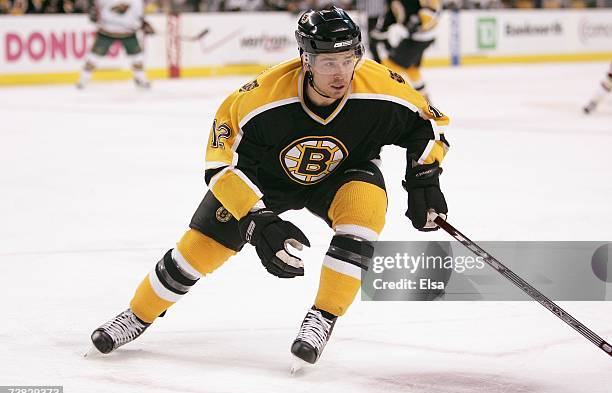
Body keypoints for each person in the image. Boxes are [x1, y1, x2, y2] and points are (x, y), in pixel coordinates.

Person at [89, 6, 450, 368]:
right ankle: (137, 315)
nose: (341, 73)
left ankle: (323, 318)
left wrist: (424, 178)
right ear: (305, 60)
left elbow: (429, 127)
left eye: (348, 58)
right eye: (328, 62)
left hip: (344, 171)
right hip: (262, 180)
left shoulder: (383, 85)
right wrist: (257, 221)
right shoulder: (257, 99)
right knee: (195, 253)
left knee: (363, 216)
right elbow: (220, 166)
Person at [370, 0, 441, 102]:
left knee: (390, 65)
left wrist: (421, 21)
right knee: (412, 69)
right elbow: (390, 17)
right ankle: (425, 100)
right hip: (417, 38)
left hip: (419, 38)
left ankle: (390, 99)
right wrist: (379, 33)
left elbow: (431, 8)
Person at [76, 0, 153, 89]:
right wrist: (93, 13)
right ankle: (83, 80)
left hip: (128, 32)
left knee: (137, 57)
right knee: (94, 57)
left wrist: (143, 24)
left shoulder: (136, 1)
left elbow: (139, 16)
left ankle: (141, 78)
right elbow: (95, 9)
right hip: (107, 31)